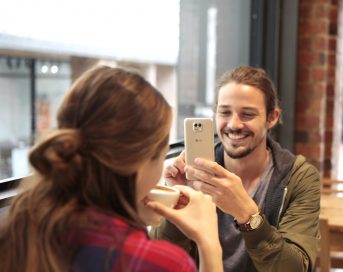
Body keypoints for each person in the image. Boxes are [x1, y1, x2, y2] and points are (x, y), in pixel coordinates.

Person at [0, 66, 222, 272]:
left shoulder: (18, 228)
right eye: (162, 156)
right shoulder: (163, 263)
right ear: (140, 164)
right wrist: (210, 244)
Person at [152, 66, 321, 272]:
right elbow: (158, 260)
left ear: (272, 117)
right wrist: (178, 202)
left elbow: (296, 268)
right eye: (224, 112)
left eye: (247, 114)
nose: (234, 124)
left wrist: (247, 213)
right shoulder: (189, 171)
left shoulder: (298, 177)